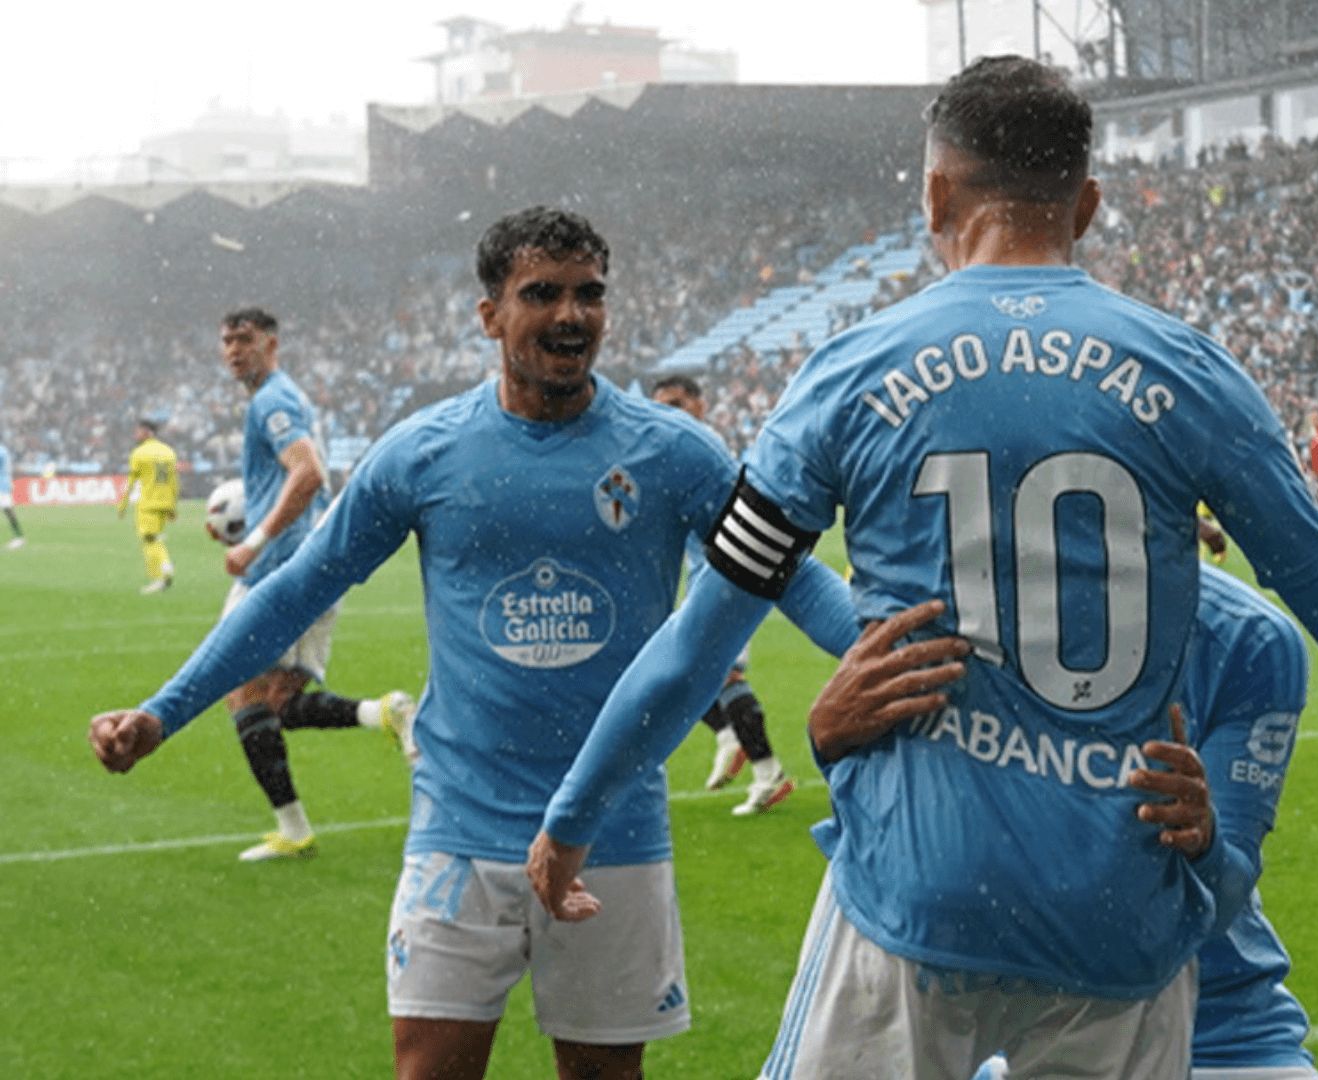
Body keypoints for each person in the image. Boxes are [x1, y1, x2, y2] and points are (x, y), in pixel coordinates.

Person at [529, 58, 1318, 1078]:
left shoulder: (848, 375)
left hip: (919, 897)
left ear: (935, 193)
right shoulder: (1189, 373)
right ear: (1089, 204)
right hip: (1117, 909)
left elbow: (697, 646)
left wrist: (571, 821)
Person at [87, 207, 860, 1080]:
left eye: (589, 294)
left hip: (615, 828)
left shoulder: (674, 452)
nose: (572, 315)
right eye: (542, 294)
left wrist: (878, 652)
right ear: (489, 314)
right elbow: (295, 589)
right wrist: (163, 712)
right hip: (459, 830)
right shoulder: (424, 454)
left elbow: (789, 573)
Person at [806, 565, 1318, 1080]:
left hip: (1223, 1029)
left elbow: (1226, 894)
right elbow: (770, 551)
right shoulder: (959, 609)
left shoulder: (1243, 637)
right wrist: (828, 739)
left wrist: (1204, 839)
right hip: (994, 1019)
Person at [211, 307, 414, 861]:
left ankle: (295, 832)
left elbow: (307, 474)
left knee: (242, 694)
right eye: (227, 341)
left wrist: (253, 542)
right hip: (310, 565)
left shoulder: (272, 400)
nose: (233, 350)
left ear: (271, 343)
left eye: (244, 340)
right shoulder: (285, 396)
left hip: (280, 572)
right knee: (277, 701)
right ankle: (383, 712)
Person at [649, 373, 795, 816]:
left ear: (700, 404)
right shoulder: (679, 450)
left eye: (677, 402)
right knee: (683, 674)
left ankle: (767, 773)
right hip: (707, 578)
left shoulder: (703, 447)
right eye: (662, 405)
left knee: (713, 676)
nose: (669, 413)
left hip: (731, 578)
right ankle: (735, 743)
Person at [116, 417, 179, 594]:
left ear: (147, 432)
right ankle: (161, 574)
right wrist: (173, 506)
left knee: (149, 539)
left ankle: (162, 573)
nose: (135, 434)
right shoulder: (168, 452)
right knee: (155, 537)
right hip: (165, 502)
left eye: (138, 431)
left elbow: (131, 482)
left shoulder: (139, 453)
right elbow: (174, 480)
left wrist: (122, 505)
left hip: (148, 502)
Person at [0, 435, 23, 549]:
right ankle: (18, 537)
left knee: (8, 510)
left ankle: (18, 537)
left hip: (1, 485)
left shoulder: (0, 451)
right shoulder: (3, 450)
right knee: (8, 510)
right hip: (4, 483)